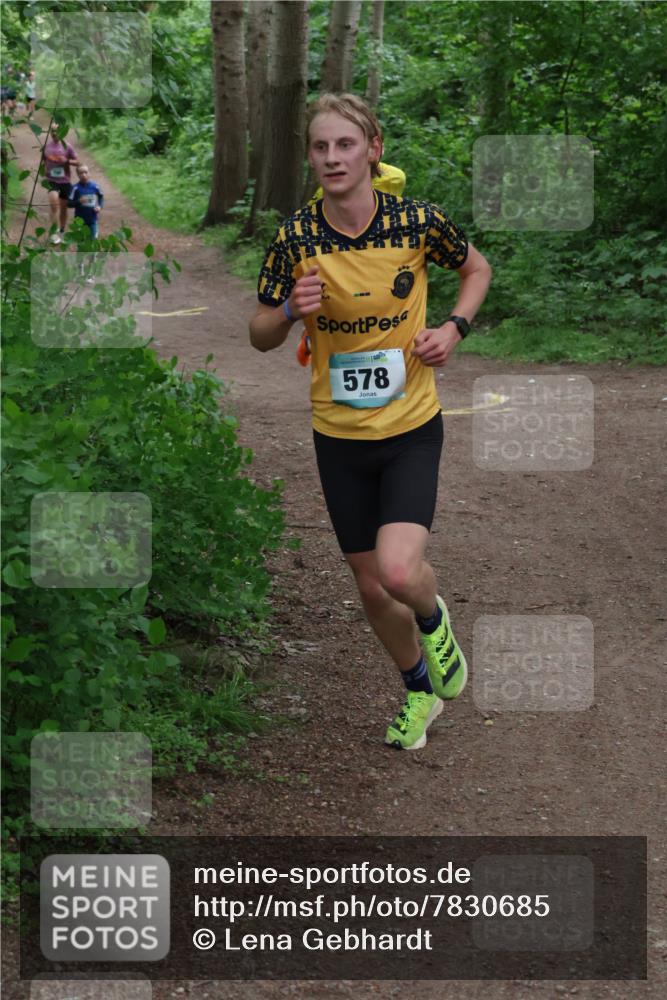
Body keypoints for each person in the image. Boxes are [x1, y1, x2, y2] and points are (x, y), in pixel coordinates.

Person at [249, 93, 492, 751]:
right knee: (368, 583)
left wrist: (452, 327)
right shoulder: (296, 238)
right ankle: (418, 689)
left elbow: (475, 268)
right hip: (338, 436)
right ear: (310, 157)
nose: (332, 157)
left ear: (372, 149)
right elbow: (259, 332)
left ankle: (433, 616)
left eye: (345, 145)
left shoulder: (416, 222)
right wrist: (289, 313)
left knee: (395, 570)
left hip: (411, 425)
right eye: (320, 147)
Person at [42, 121, 78, 244]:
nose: (54, 133)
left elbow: (78, 162)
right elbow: (43, 161)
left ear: (63, 132)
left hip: (65, 181)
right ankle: (53, 233)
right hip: (52, 181)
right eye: (52, 131)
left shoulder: (67, 146)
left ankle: (62, 230)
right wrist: (44, 171)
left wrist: (66, 161)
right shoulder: (46, 147)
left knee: (63, 208)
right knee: (54, 204)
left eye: (57, 131)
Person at [69, 163, 103, 239]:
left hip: (92, 220)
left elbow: (101, 197)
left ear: (89, 173)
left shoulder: (95, 186)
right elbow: (69, 203)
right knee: (80, 241)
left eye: (86, 172)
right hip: (79, 221)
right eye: (81, 173)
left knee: (93, 241)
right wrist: (79, 202)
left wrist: (99, 206)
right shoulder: (75, 188)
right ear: (77, 175)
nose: (84, 175)